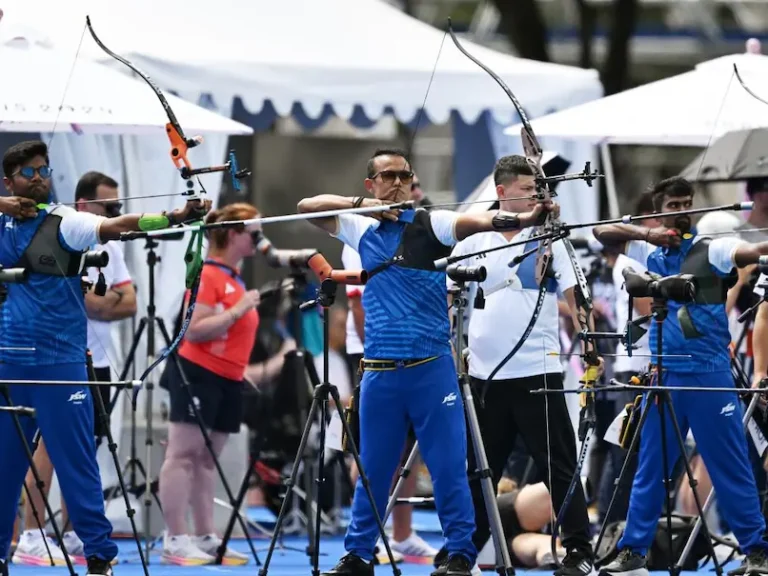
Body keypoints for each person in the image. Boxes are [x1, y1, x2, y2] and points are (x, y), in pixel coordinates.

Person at [297, 147, 557, 576]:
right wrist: (366, 206)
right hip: (380, 373)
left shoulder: (430, 223)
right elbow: (307, 207)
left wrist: (526, 218)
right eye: (387, 176)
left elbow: (479, 221)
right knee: (373, 471)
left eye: (404, 175)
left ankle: (459, 554)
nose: (397, 183)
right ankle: (359, 555)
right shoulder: (358, 226)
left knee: (449, 467)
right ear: (371, 185)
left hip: (431, 371)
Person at [0, 139, 211, 576]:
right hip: (8, 362)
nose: (39, 178)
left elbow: (121, 226)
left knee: (76, 464)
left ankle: (98, 556)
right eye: (29, 173)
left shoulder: (67, 221)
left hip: (60, 364)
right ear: (9, 181)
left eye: (44, 170)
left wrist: (175, 215)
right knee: (3, 468)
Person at [592, 176, 768, 576]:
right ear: (658, 211)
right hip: (664, 376)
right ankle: (634, 552)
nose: (682, 211)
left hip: (709, 378)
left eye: (687, 204)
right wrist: (648, 233)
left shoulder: (712, 248)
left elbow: (754, 248)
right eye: (673, 205)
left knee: (729, 467)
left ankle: (758, 552)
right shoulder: (645, 248)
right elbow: (601, 231)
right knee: (651, 468)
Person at [438, 154, 601, 576]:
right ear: (502, 192)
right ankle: (462, 553)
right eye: (527, 190)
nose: (535, 196)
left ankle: (580, 552)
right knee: (480, 470)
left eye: (538, 190)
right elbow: (449, 295)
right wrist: (446, 347)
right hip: (486, 376)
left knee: (559, 467)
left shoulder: (551, 240)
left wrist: (589, 342)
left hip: (537, 372)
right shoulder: (475, 238)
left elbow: (575, 296)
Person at [12, 171, 138, 566]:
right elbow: (96, 303)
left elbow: (129, 302)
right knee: (43, 450)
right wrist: (100, 301)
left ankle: (76, 537)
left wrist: (100, 301)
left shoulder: (100, 239)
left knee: (80, 452)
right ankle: (32, 533)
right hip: (45, 359)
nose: (115, 211)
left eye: (119, 206)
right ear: (86, 205)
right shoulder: (47, 230)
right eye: (108, 206)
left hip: (91, 362)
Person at [157, 202, 267, 566]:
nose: (259, 239)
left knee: (206, 461)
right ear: (234, 234)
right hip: (197, 373)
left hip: (228, 379)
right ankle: (175, 537)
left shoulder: (234, 277)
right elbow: (196, 330)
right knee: (183, 456)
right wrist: (239, 310)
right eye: (254, 232)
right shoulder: (208, 275)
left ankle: (205, 536)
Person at [341, 173, 438, 565]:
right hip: (372, 352)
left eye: (413, 184)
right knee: (374, 450)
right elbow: (357, 304)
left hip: (411, 353)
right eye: (402, 185)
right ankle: (370, 532)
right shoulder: (364, 231)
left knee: (408, 449)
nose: (413, 192)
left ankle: (402, 533)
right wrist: (374, 356)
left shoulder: (416, 232)